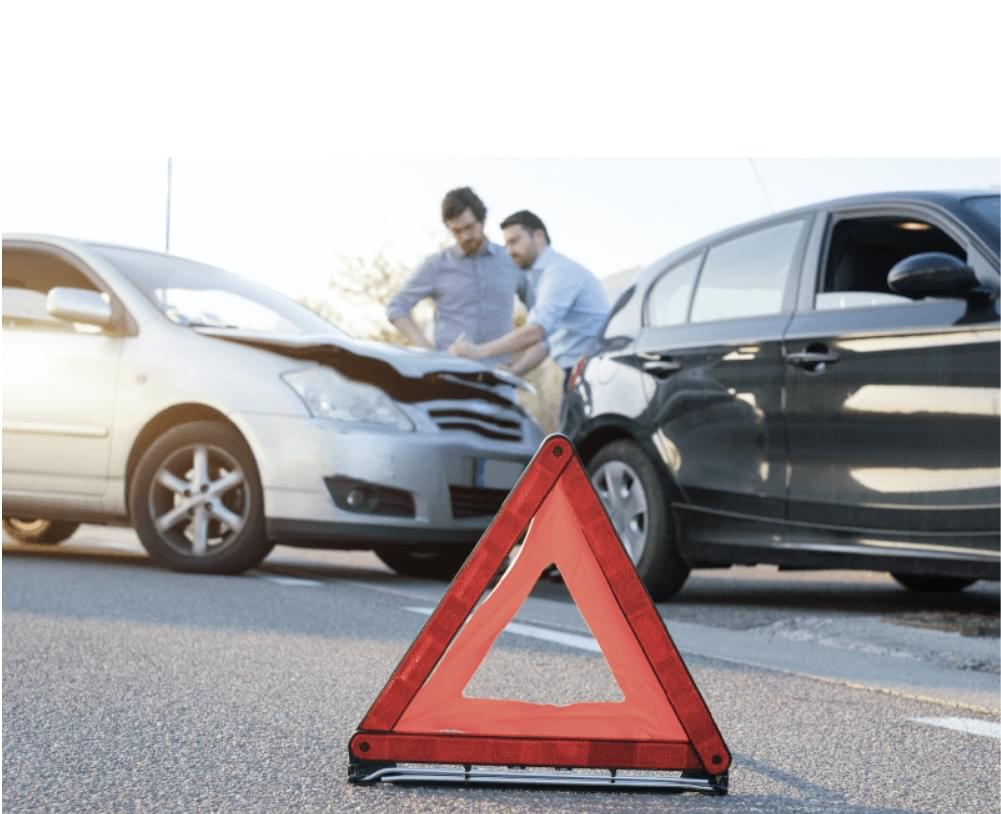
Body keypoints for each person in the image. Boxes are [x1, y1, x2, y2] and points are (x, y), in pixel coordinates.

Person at [449, 210, 609, 383]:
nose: (509, 251)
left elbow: (535, 332)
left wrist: (478, 351)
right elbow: (548, 342)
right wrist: (515, 370)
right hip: (580, 373)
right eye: (506, 245)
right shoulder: (543, 278)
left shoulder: (560, 273)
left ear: (539, 236)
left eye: (514, 241)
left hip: (595, 373)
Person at [386, 187, 522, 366]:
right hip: (451, 373)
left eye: (469, 227)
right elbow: (397, 307)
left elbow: (540, 314)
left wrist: (521, 361)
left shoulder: (511, 260)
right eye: (456, 231)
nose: (465, 236)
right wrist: (428, 353)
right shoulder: (436, 265)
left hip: (500, 375)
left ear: (482, 220)